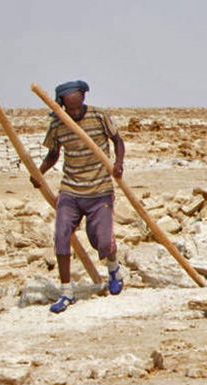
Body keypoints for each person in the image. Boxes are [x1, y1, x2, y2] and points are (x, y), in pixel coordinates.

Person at [31, 80, 126, 314]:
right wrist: (39, 173)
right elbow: (53, 154)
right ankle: (67, 292)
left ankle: (114, 269)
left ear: (84, 98)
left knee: (102, 242)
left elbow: (118, 141)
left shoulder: (99, 116)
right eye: (69, 109)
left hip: (100, 191)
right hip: (71, 191)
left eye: (77, 107)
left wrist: (119, 163)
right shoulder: (58, 124)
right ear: (62, 104)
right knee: (61, 236)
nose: (74, 112)